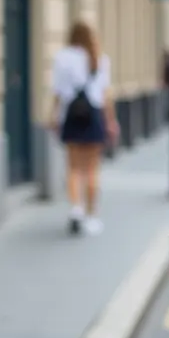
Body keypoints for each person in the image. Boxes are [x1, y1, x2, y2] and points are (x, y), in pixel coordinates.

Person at [51, 21, 118, 235]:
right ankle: (91, 216)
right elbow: (106, 95)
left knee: (73, 167)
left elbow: (59, 92)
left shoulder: (62, 57)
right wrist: (110, 120)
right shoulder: (100, 58)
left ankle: (76, 208)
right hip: (94, 116)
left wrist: (53, 115)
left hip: (72, 115)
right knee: (92, 168)